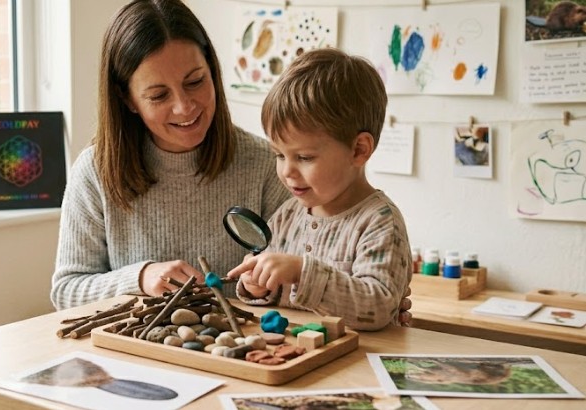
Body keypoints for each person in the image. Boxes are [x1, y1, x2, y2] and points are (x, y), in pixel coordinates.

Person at [50, 0, 290, 310]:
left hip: (239, 353)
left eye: (195, 82)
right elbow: (66, 292)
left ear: (212, 71)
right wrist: (140, 278)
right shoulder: (95, 172)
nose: (185, 107)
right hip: (134, 353)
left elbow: (299, 279)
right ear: (128, 99)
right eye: (159, 95)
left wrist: (266, 287)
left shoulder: (266, 164)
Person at [226, 48, 412, 331]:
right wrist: (257, 287)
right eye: (279, 155)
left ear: (358, 150)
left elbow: (379, 307)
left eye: (304, 157)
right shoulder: (288, 215)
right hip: (297, 360)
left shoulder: (379, 222)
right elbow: (277, 294)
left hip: (356, 366)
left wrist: (302, 271)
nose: (287, 171)